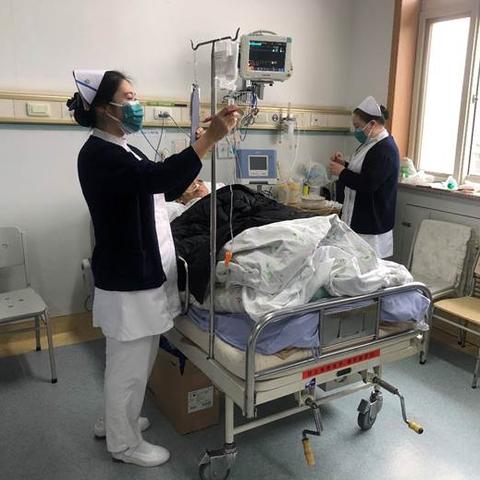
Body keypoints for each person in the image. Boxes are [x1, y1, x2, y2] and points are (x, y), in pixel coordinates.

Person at [68, 69, 238, 467]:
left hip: (133, 270)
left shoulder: (122, 149)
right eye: (128, 98)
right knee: (130, 364)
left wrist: (199, 146)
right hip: (128, 277)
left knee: (126, 360)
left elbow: (163, 185)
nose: (136, 104)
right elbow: (158, 177)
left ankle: (115, 422)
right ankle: (123, 444)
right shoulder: (100, 155)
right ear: (104, 108)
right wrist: (208, 141)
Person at [329, 95, 399, 259]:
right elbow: (364, 171)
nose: (356, 131)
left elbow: (368, 183)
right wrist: (344, 164)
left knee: (367, 267)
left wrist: (342, 172)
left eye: (358, 126)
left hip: (371, 225)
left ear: (372, 124)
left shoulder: (385, 149)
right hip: (358, 219)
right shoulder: (370, 144)